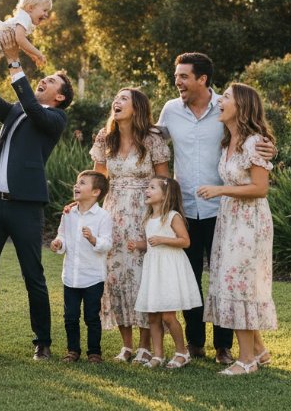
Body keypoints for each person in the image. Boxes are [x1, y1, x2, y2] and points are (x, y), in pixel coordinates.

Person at [157, 52, 274, 365]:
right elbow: (153, 140)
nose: (177, 81)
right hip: (186, 210)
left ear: (202, 79)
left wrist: (269, 148)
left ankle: (224, 347)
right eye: (177, 75)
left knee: (225, 277)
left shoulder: (225, 107)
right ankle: (195, 342)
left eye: (183, 76)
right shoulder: (170, 110)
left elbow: (252, 138)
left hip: (225, 211)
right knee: (189, 278)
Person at [0, 30, 74, 361]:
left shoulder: (55, 118)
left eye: (49, 82)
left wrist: (16, 62)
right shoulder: (17, 110)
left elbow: (33, 106)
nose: (43, 82)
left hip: (26, 207)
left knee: (33, 275)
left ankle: (42, 342)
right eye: (41, 80)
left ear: (60, 97)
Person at [198, 83, 277, 376]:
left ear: (241, 106)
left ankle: (246, 361)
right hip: (230, 219)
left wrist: (220, 190)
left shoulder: (254, 142)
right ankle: (259, 350)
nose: (220, 101)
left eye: (226, 97)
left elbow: (260, 188)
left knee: (239, 283)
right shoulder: (228, 140)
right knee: (230, 280)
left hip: (249, 221)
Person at [88, 88, 170, 365]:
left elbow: (164, 182)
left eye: (124, 98)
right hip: (112, 214)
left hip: (143, 213)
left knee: (142, 277)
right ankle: (126, 345)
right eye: (116, 98)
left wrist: (160, 218)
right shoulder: (105, 138)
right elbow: (98, 180)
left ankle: (146, 345)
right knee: (115, 277)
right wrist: (82, 207)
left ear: (138, 107)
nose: (117, 101)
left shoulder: (152, 140)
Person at [130, 177, 203, 369]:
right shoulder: (148, 219)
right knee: (153, 316)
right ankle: (158, 354)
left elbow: (185, 241)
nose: (147, 190)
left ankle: (182, 352)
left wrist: (162, 239)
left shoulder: (172, 216)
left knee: (168, 316)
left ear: (165, 195)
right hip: (154, 270)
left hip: (169, 269)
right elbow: (151, 244)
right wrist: (139, 245)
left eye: (152, 187)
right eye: (147, 187)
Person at [50, 170, 112, 364]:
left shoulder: (103, 216)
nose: (76, 186)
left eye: (82, 183)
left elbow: (107, 244)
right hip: (71, 276)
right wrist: (58, 243)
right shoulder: (69, 214)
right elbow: (62, 235)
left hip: (93, 276)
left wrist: (93, 239)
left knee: (92, 317)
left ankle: (94, 352)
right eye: (77, 182)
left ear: (95, 192)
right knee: (70, 317)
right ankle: (72, 351)